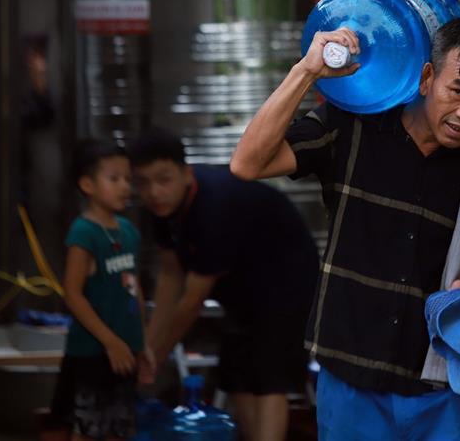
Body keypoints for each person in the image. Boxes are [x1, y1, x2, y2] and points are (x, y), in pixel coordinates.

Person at [230, 17, 460, 440]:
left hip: (445, 382)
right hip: (352, 378)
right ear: (427, 78)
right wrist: (306, 71)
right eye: (458, 91)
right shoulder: (350, 124)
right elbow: (247, 164)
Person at [128, 129, 319, 441]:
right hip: (241, 291)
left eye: (163, 179)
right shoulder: (161, 212)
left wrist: (154, 359)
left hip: (287, 281)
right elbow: (170, 277)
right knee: (235, 373)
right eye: (143, 183)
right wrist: (148, 346)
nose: (153, 192)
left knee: (268, 376)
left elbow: (191, 302)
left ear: (185, 173)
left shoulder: (212, 207)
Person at [50, 139, 153, 440]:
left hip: (125, 352)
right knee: (87, 428)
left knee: (119, 428)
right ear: (87, 184)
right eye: (114, 179)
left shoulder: (129, 231)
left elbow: (134, 287)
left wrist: (142, 341)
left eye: (127, 179)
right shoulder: (83, 232)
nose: (125, 187)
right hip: (93, 353)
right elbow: (73, 294)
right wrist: (111, 342)